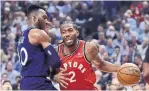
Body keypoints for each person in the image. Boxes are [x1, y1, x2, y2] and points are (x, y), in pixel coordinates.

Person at [54, 21, 120, 90]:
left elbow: (101, 64)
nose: (67, 34)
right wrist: (54, 77)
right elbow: (50, 72)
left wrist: (120, 68)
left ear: (77, 32)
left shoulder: (88, 48)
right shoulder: (56, 51)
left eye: (70, 30)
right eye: (63, 32)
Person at [17, 4, 68, 90]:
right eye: (44, 18)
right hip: (38, 83)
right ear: (34, 18)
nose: (47, 21)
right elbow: (55, 62)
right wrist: (54, 75)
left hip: (25, 83)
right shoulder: (38, 33)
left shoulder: (23, 36)